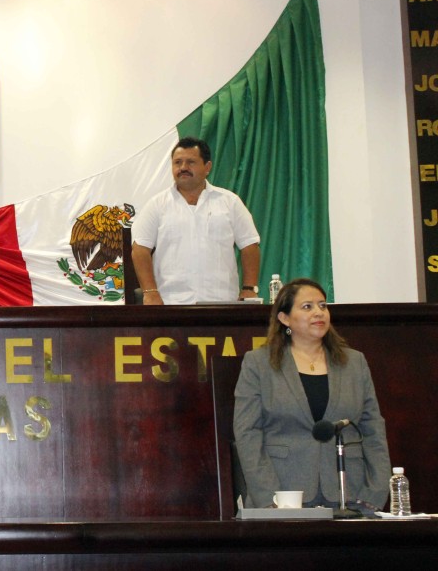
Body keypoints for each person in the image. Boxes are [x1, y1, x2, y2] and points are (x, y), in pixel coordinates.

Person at [233, 278, 390, 510]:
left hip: (349, 495)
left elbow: (373, 430)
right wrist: (269, 498)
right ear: (284, 318)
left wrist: (375, 494)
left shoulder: (354, 363)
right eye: (307, 307)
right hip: (282, 495)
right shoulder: (258, 364)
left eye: (323, 305)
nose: (319, 312)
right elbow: (247, 433)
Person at [131, 136, 260, 305]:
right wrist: (150, 292)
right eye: (177, 162)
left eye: (191, 162)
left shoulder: (230, 202)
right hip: (170, 305)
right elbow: (140, 250)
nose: (183, 168)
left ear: (207, 167)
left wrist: (249, 289)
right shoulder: (156, 205)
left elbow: (250, 245)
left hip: (223, 304)